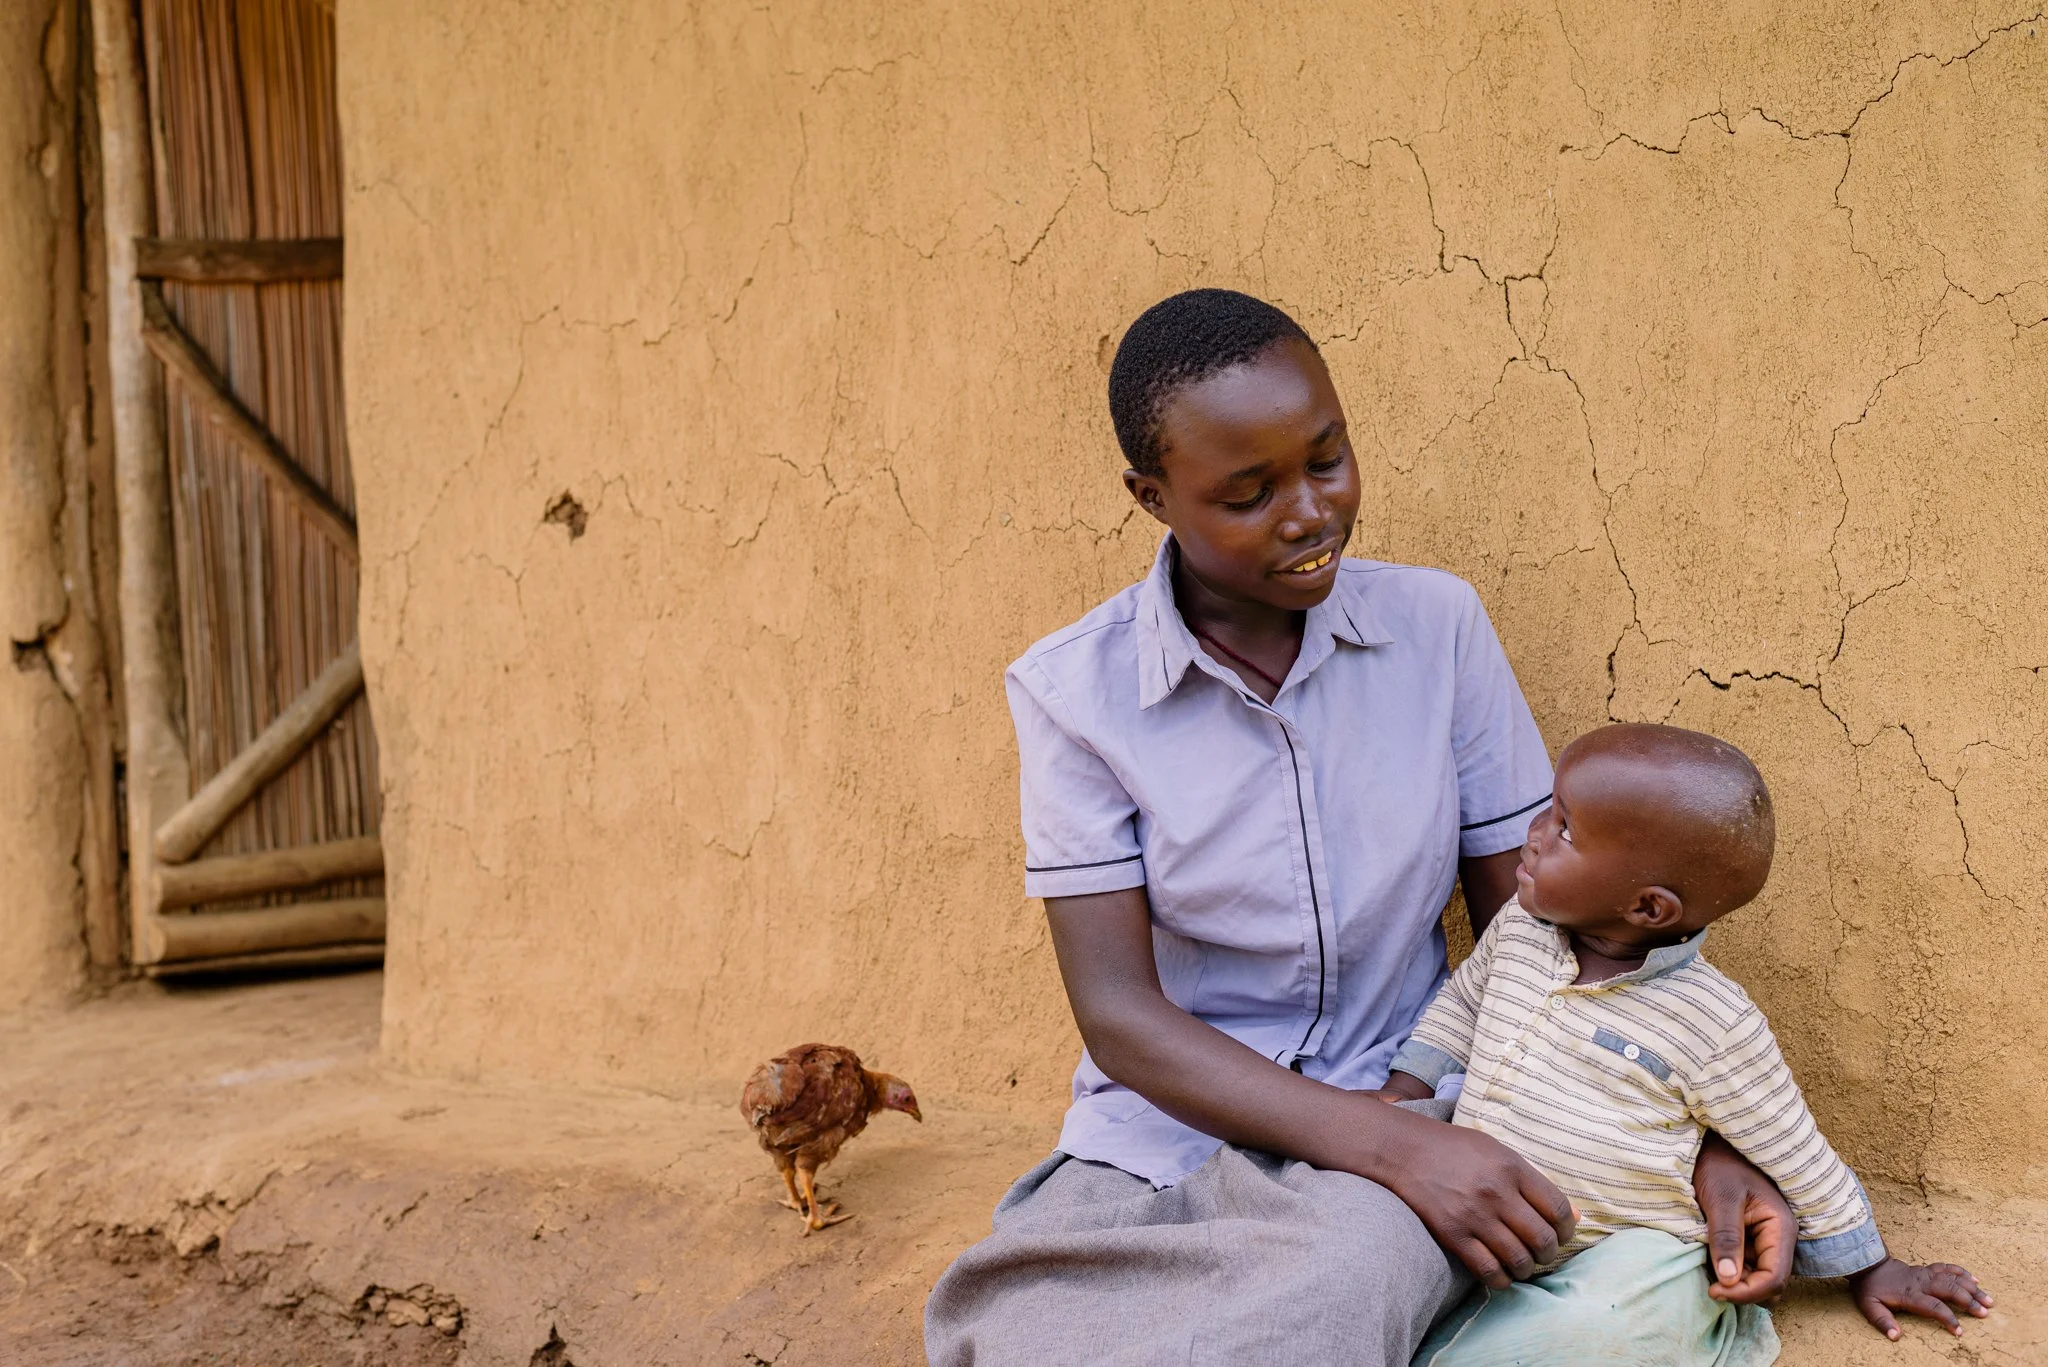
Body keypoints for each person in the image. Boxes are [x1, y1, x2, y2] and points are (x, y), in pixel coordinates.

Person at [925, 289, 1799, 1365]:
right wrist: (1382, 1144)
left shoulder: (1436, 629)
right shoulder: (1072, 691)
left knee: (1324, 1302)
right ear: (1151, 496)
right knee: (1001, 1320)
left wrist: (1691, 1138)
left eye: (1326, 459)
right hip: (1163, 1138)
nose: (1308, 512)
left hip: (1399, 1115)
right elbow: (1119, 1016)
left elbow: (1546, 935)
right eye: (1247, 493)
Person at [1383, 723, 1993, 1365]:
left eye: (1563, 829)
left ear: (1649, 908)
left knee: (1619, 1326)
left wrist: (1872, 1266)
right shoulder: (1520, 928)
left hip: (1622, 1250)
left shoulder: (1713, 1020)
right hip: (1482, 1217)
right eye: (1548, 808)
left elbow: (1791, 1146)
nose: (1533, 835)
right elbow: (1463, 1002)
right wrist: (1407, 1087)